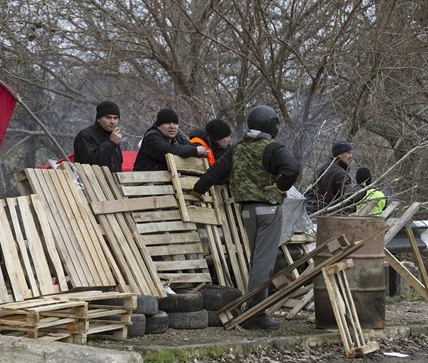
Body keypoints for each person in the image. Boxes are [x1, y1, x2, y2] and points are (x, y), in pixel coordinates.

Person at [192, 105, 300, 330]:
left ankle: (255, 310)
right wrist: (279, 188)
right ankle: (255, 314)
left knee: (257, 261)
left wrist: (197, 190)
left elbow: (215, 172)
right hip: (268, 211)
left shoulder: (238, 148)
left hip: (247, 212)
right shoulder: (272, 147)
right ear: (270, 125)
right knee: (263, 263)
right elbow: (291, 169)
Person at [133, 108, 206, 171]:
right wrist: (195, 150)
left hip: (164, 181)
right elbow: (168, 151)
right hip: (145, 182)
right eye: (167, 123)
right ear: (159, 126)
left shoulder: (177, 138)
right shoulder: (151, 137)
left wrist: (197, 151)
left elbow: (191, 147)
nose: (172, 126)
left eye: (175, 123)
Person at [305, 140, 364, 214]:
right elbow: (351, 197)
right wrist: (362, 187)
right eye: (348, 153)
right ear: (339, 154)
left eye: (351, 153)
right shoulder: (340, 173)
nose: (351, 156)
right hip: (333, 218)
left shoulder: (320, 169)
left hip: (317, 215)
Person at [73, 100, 123, 172]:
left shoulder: (114, 137)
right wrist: (111, 143)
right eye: (108, 117)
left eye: (115, 118)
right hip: (90, 181)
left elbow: (117, 167)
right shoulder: (85, 135)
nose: (112, 121)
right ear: (98, 119)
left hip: (112, 182)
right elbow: (92, 163)